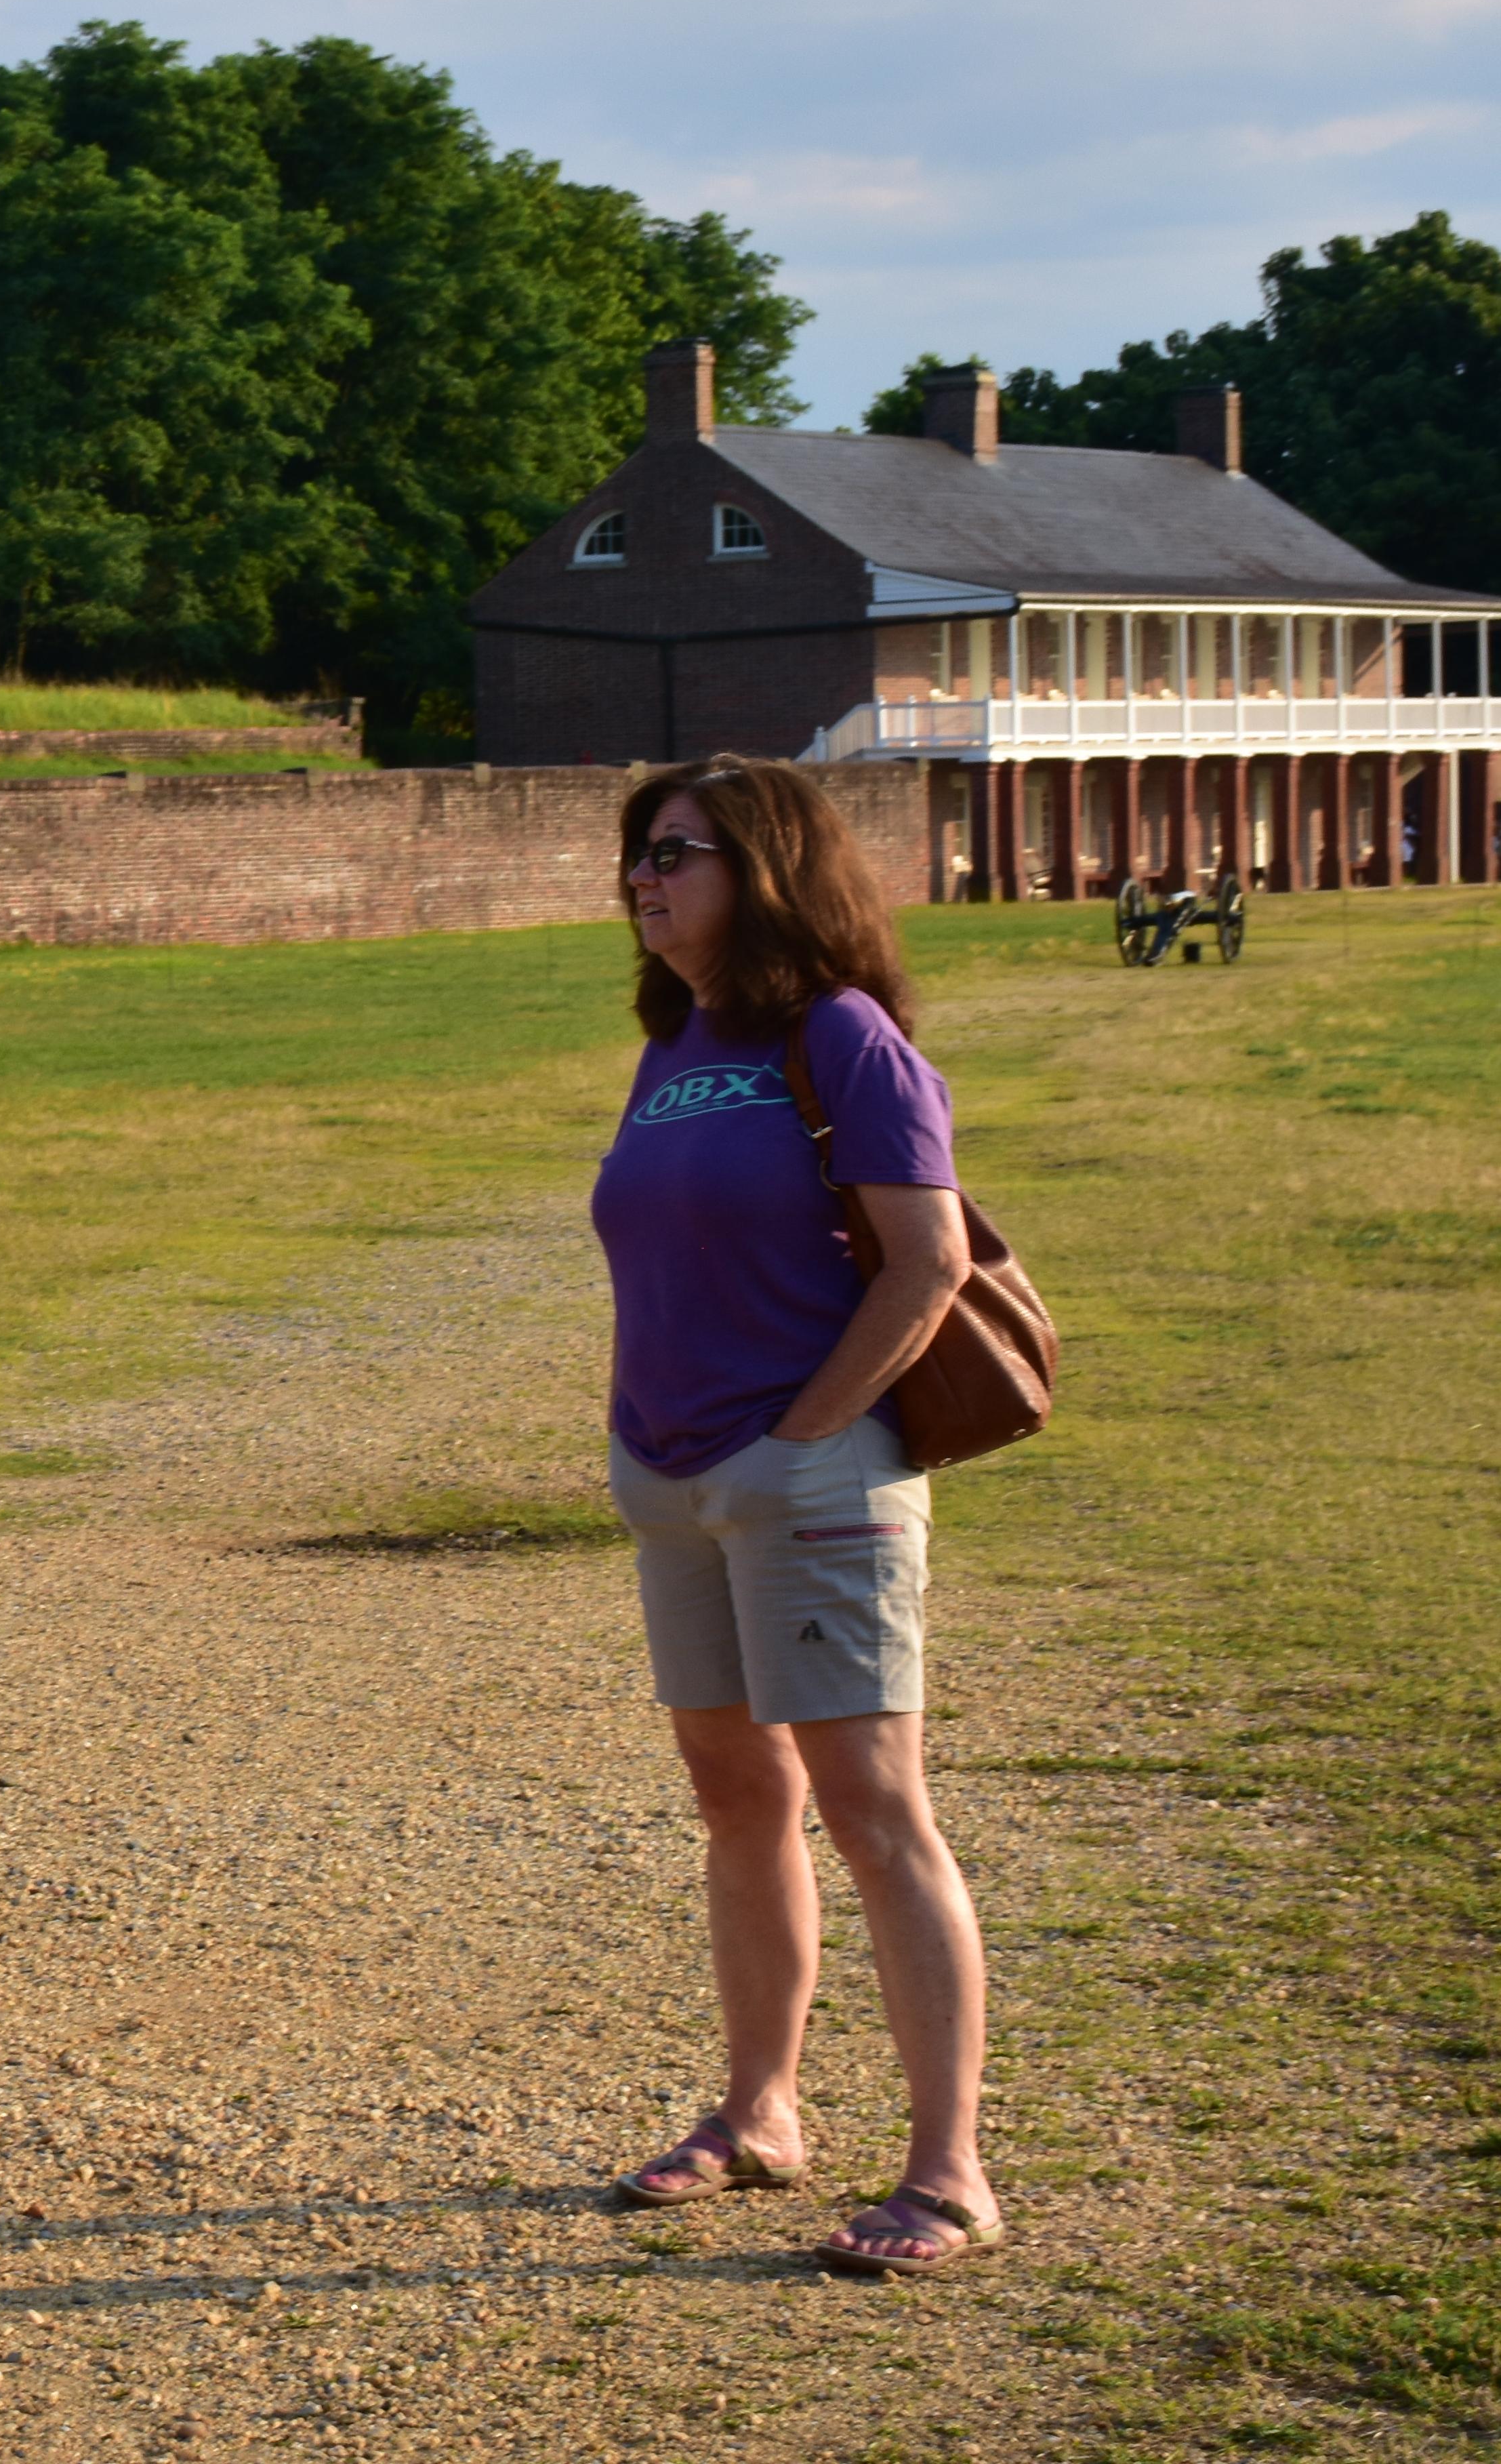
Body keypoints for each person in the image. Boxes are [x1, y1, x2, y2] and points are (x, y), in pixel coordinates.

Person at [589, 754, 1002, 2278]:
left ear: (769, 867)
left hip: (811, 1479)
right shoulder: (676, 1045)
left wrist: (803, 1433)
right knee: (734, 1793)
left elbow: (927, 1261)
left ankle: (950, 2171)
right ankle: (760, 2110)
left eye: (680, 849)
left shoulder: (847, 1037)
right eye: (639, 850)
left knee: (875, 1809)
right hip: (676, 1476)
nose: (647, 874)